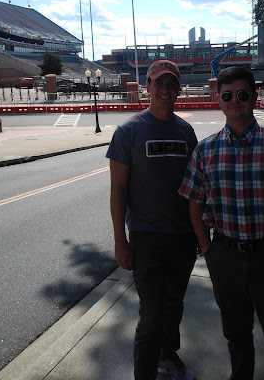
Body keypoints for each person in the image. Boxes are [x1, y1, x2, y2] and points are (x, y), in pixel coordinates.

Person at [179, 66, 264, 380]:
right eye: (227, 96)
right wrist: (208, 251)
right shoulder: (206, 150)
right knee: (236, 337)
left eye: (242, 94)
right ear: (219, 100)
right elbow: (194, 202)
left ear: (254, 96)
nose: (235, 101)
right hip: (225, 256)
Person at [106, 60, 197, 380]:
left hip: (183, 237)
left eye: (171, 84)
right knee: (152, 315)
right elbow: (117, 189)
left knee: (174, 307)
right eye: (159, 83)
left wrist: (199, 233)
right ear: (147, 86)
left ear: (178, 90)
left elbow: (194, 187)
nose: (165, 89)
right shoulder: (128, 132)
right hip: (146, 237)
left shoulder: (186, 132)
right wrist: (120, 240)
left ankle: (167, 357)